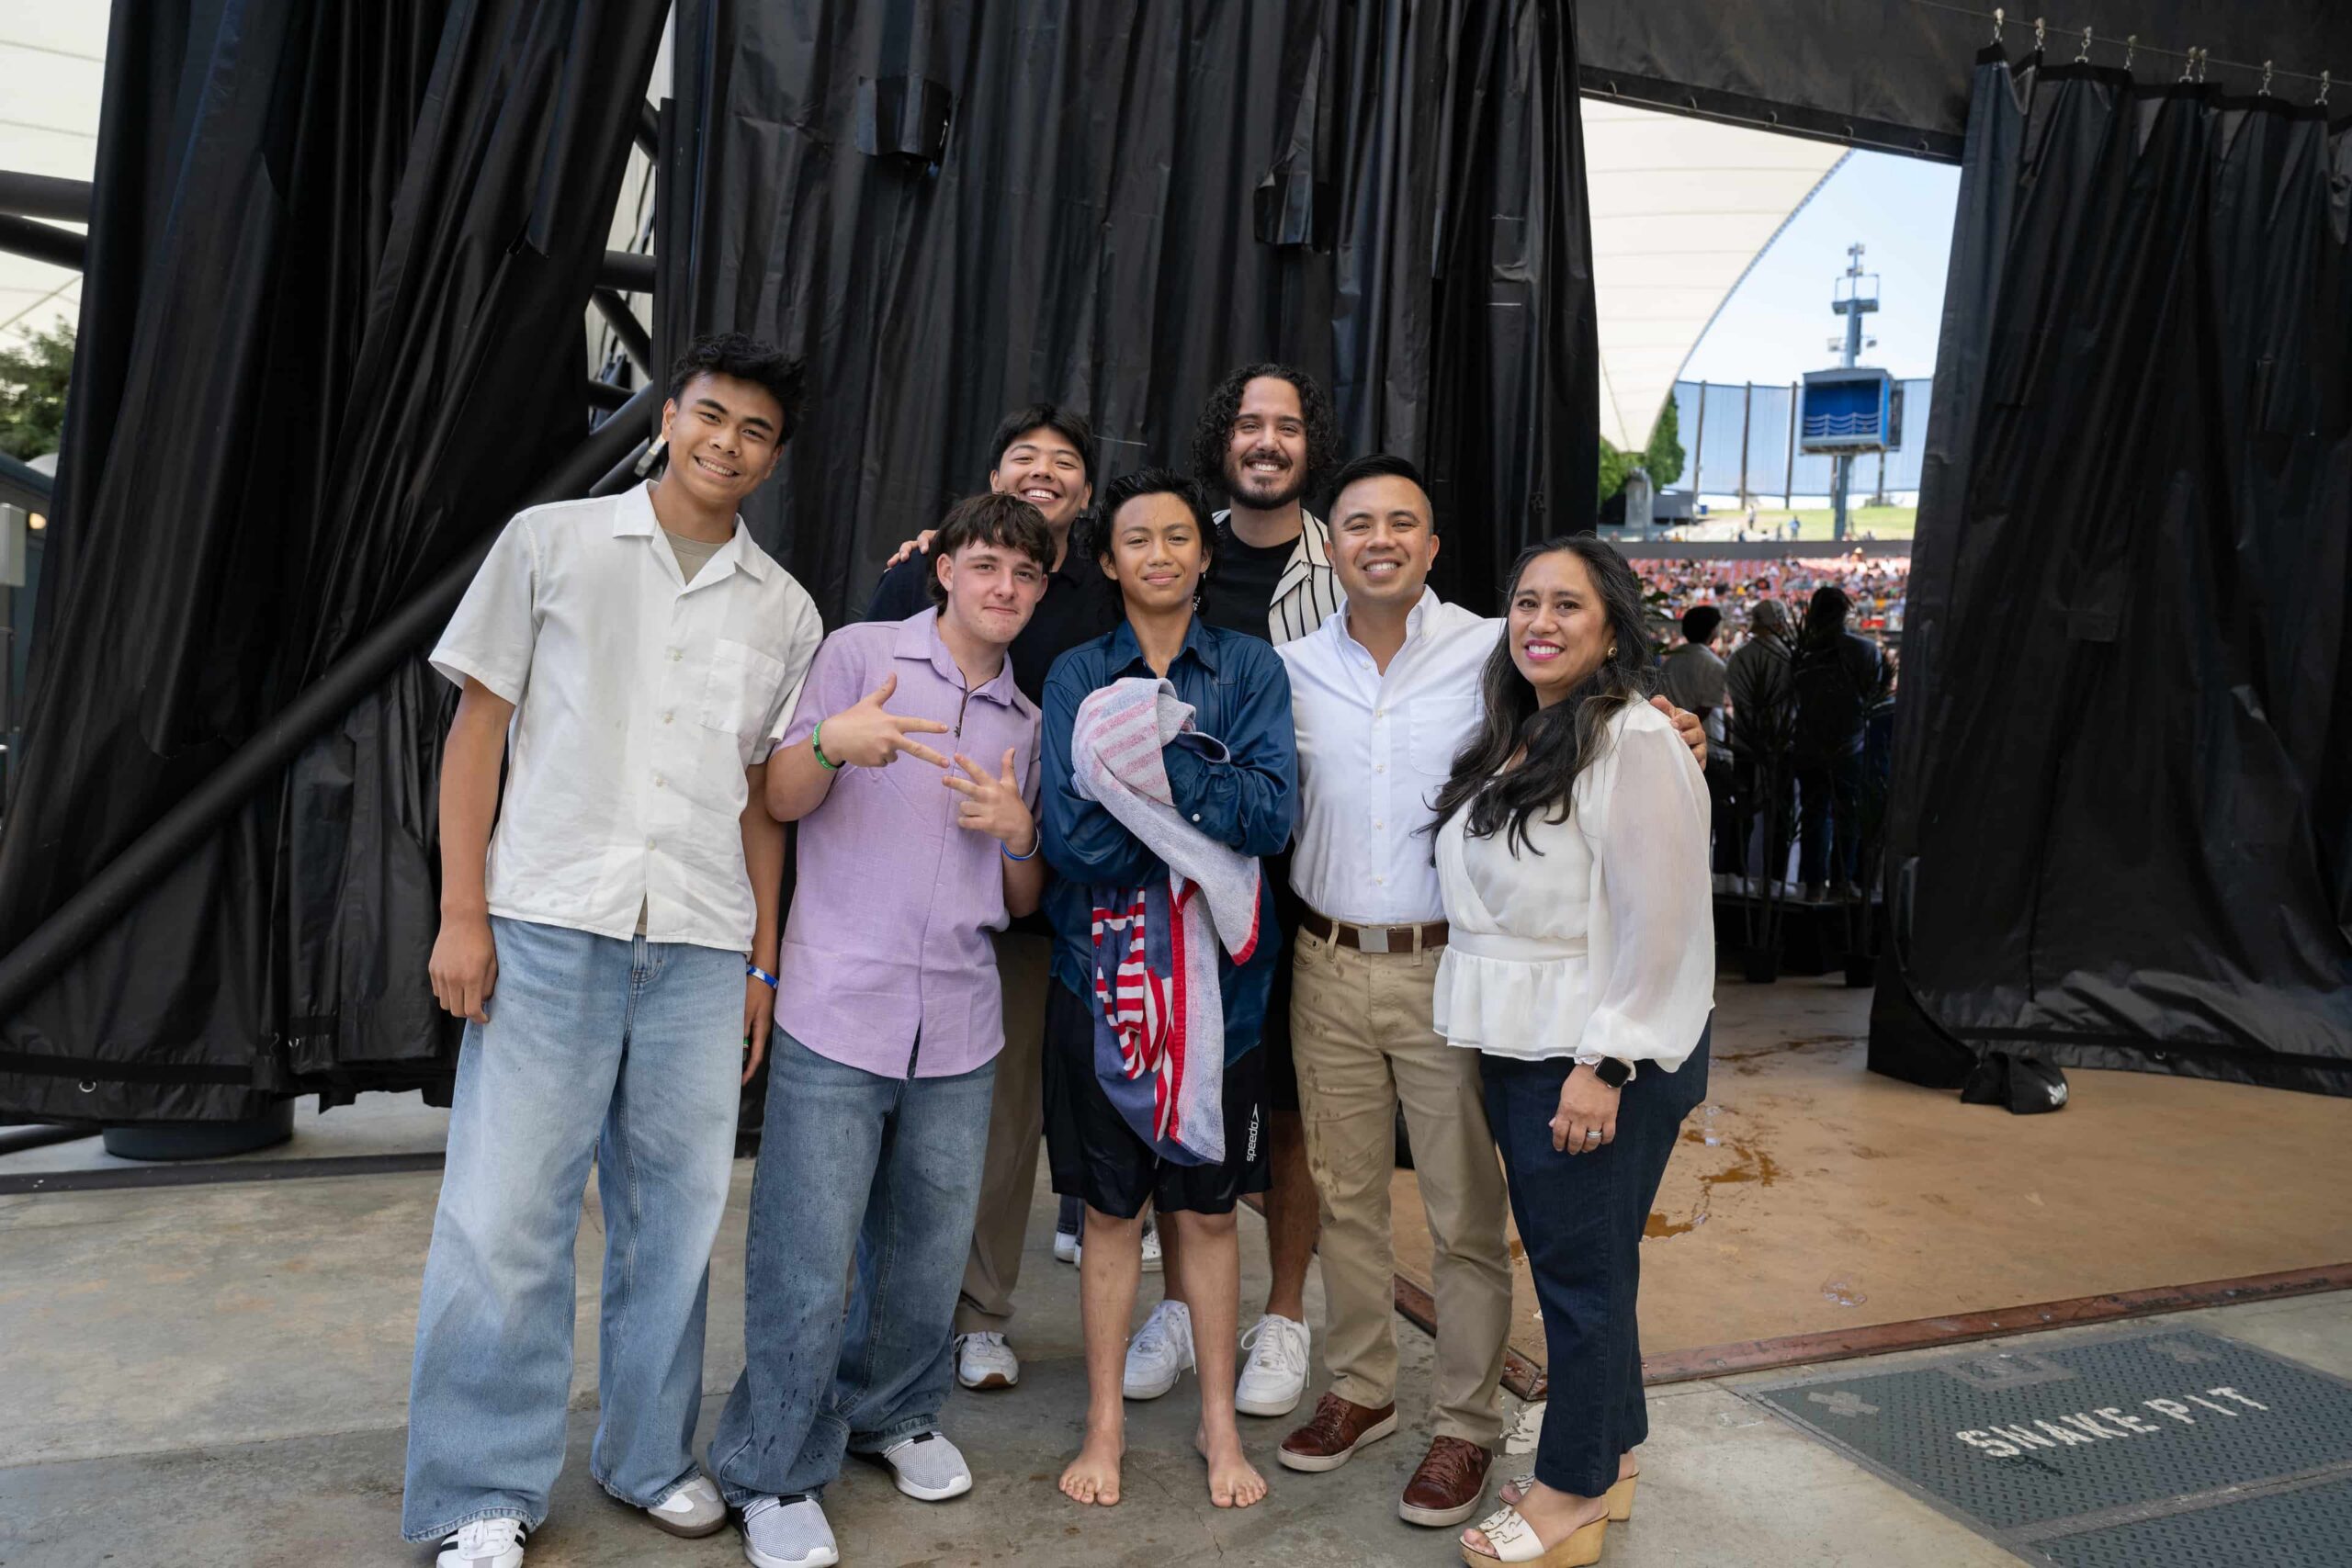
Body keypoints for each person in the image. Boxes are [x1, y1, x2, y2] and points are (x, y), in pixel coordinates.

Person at [402, 333, 825, 1568]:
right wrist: (461, 910)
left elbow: (761, 797)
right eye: (710, 415)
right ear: (670, 414)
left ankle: (647, 1455)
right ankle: (479, 1485)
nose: (726, 443)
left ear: (775, 454)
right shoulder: (552, 542)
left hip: (699, 942)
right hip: (546, 922)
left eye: (754, 430)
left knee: (678, 1218)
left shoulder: (786, 607)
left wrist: (762, 960)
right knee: (502, 1215)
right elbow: (478, 730)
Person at [1273, 457, 1708, 1532]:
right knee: (1347, 1199)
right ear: (1327, 545)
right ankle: (1363, 1390)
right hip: (1331, 963)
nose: (1378, 539)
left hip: (1453, 979)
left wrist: (1683, 734)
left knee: (1478, 1217)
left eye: (1403, 523)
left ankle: (1467, 1425)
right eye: (1357, 522)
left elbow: (1647, 853)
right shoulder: (1285, 667)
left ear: (1431, 547)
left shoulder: (1491, 651)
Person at [714, 492, 1053, 1568]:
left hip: (959, 1018)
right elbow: (777, 797)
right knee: (806, 1258)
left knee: (923, 1256)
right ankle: (770, 1469)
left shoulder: (1028, 723)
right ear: (945, 567)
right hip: (835, 1004)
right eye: (987, 564)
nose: (1004, 588)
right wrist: (832, 739)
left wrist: (1018, 835)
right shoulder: (860, 654)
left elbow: (1026, 899)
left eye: (1025, 576)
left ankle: (893, 1416)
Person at [1430, 537, 1714, 1568]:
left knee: (1578, 1282)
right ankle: (1614, 1451)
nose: (1541, 621)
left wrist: (1606, 1063)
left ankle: (1571, 1494)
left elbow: (1663, 920)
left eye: (1568, 606)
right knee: (1589, 1266)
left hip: (1595, 1054)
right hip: (1528, 1041)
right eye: (1525, 602)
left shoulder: (1634, 739)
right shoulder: (1525, 731)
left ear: (1610, 629)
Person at [864, 405, 1139, 1397]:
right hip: (897, 895)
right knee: (879, 1114)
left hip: (1026, 901)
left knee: (1002, 1123)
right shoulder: (920, 571)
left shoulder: (1101, 597)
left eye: (1065, 462)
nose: (1044, 471)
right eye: (1024, 455)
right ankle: (886, 1309)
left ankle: (980, 1315)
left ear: (1082, 495)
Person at [1039, 468, 1297, 1511]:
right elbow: (1074, 838)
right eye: (1135, 538)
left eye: (1177, 537)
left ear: (1204, 556)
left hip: (1222, 1001)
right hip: (1101, 986)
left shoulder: (1249, 669)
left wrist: (1146, 756)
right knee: (1110, 1216)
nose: (1157, 553)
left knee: (1206, 1216)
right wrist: (1201, 792)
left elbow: (1272, 817)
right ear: (1108, 560)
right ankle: (1103, 1426)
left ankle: (1217, 1428)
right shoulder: (1073, 674)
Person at [1121, 362, 1343, 1424]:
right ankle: (1178, 1300)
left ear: (1309, 444)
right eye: (1249, 423)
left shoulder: (1353, 561)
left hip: (1305, 879)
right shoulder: (1175, 547)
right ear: (1225, 439)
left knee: (1290, 1108)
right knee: (1183, 1079)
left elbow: (1472, 654)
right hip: (1176, 883)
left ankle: (1285, 1312)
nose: (1266, 441)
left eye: (1286, 426)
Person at [1790, 584, 1887, 902]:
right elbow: (1873, 696)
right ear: (1845, 612)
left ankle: (1814, 886)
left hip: (1809, 746)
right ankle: (1842, 883)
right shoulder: (1864, 650)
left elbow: (1795, 698)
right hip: (1851, 747)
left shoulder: (1801, 653)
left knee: (1814, 815)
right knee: (1847, 816)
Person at [1658, 604, 1735, 875]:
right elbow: (1707, 707)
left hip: (1673, 746)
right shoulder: (1713, 664)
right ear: (1713, 631)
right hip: (1710, 748)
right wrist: (1687, 722)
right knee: (1711, 817)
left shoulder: (1671, 660)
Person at [1725, 599, 1795, 893]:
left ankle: (1736, 875)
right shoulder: (1789, 658)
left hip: (1744, 742)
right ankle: (1774, 880)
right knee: (1779, 815)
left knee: (1742, 809)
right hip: (1780, 744)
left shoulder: (1738, 657)